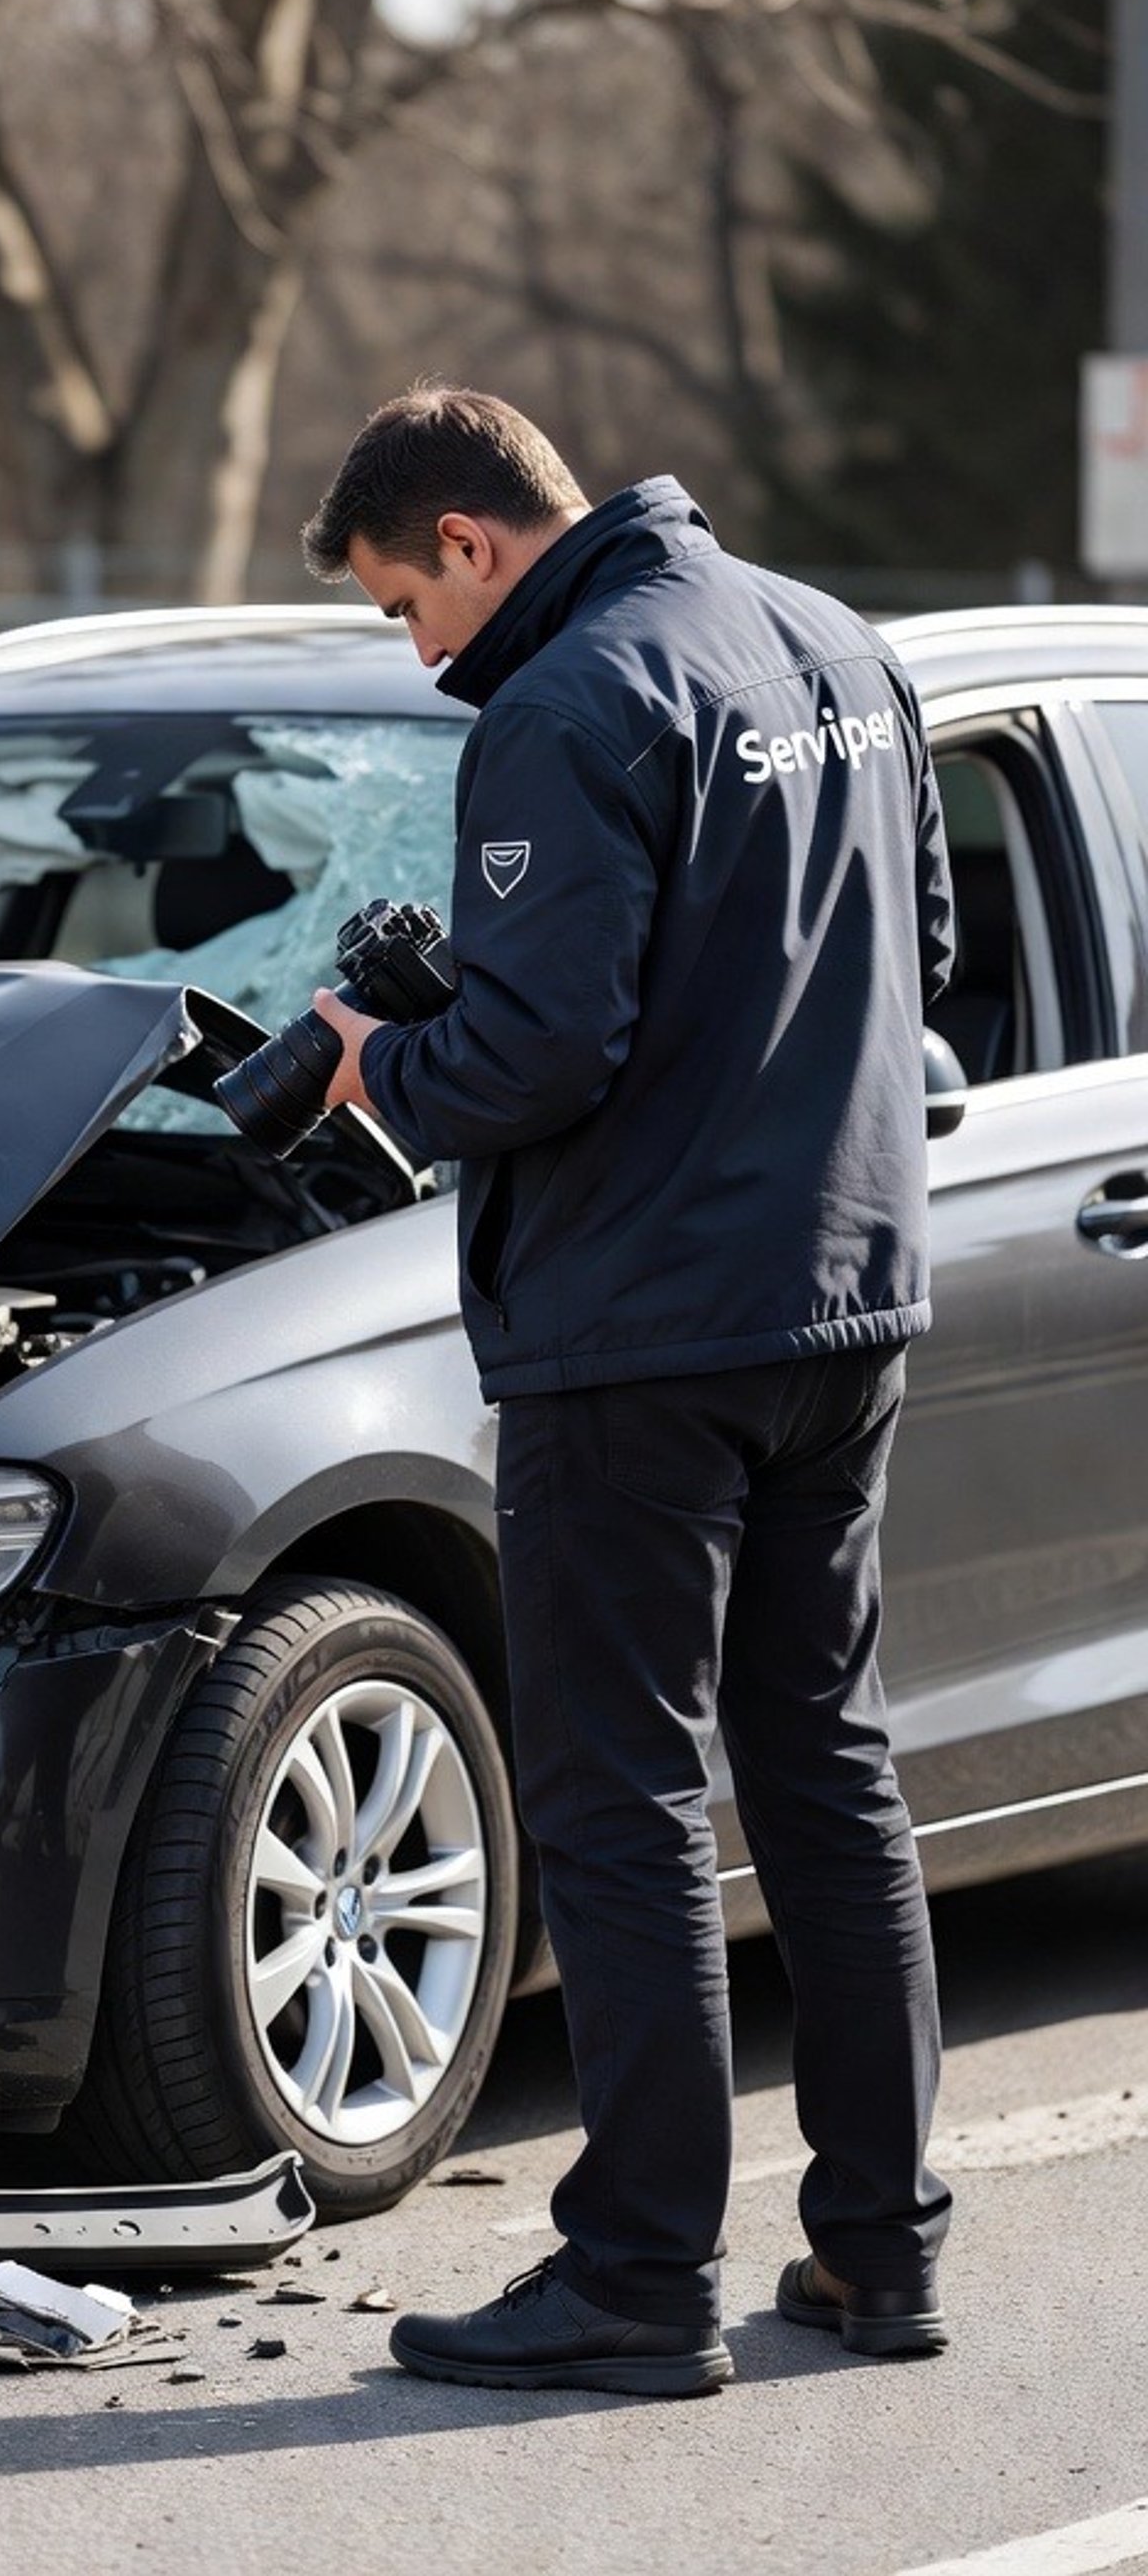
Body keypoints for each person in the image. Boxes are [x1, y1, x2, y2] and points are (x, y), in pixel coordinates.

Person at [302, 384, 955, 2400]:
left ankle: (640, 2276)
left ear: (471, 539)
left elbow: (537, 1053)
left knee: (622, 1794)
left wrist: (376, 1065)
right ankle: (882, 2252)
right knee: (827, 1767)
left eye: (405, 603)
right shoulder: (840, 646)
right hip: (843, 1300)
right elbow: (919, 953)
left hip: (640, 1338)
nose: (418, 647)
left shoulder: (568, 703)